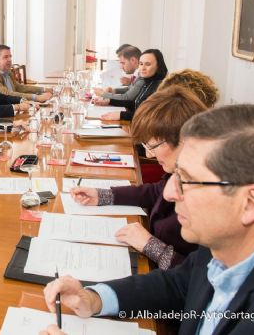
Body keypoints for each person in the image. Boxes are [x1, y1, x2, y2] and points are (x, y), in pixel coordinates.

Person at [44, 104, 254, 335]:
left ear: (251, 202)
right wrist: (95, 299)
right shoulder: (220, 248)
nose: (170, 192)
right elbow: (178, 284)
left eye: (186, 179)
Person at [71, 86, 205, 269]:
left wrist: (151, 246)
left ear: (183, 140)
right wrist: (101, 195)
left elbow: (203, 280)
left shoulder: (210, 191)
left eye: (153, 146)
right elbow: (155, 191)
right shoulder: (184, 171)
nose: (149, 155)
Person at [94, 48, 168, 121]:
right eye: (141, 64)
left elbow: (148, 115)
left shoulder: (160, 87)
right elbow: (136, 103)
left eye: (148, 64)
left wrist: (121, 115)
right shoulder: (148, 81)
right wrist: (110, 101)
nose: (142, 68)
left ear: (158, 66)